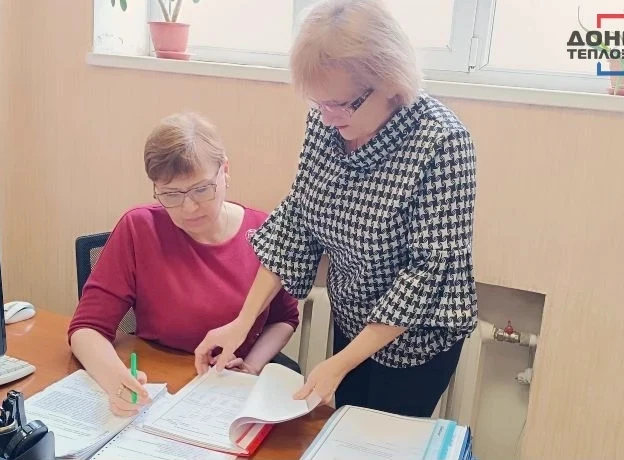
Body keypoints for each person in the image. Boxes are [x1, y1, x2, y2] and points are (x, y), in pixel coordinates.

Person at [194, 0, 478, 418]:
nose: (327, 118)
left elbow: (428, 273)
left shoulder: (442, 143)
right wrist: (242, 323)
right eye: (319, 103)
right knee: (341, 423)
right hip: (353, 314)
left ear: (389, 81)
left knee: (376, 437)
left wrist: (342, 363)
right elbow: (297, 221)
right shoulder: (326, 122)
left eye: (341, 104)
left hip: (416, 338)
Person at [69, 112, 300, 416]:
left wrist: (250, 367)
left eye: (201, 189)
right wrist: (117, 383)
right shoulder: (139, 228)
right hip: (159, 386)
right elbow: (86, 330)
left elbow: (284, 319)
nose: (189, 207)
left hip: (227, 391)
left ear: (225, 171)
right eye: (170, 194)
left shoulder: (265, 232)